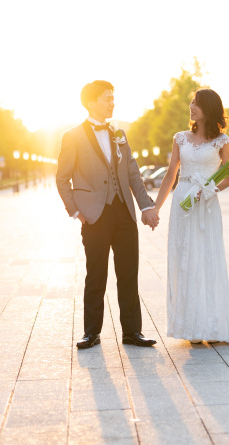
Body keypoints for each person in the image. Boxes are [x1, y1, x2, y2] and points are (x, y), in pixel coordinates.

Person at [56, 80, 160, 350]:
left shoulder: (120, 134)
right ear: (91, 102)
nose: (112, 102)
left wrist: (146, 206)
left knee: (129, 274)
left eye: (113, 97)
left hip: (123, 212)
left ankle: (132, 332)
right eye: (107, 98)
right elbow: (62, 178)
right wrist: (77, 211)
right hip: (94, 215)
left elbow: (133, 173)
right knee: (96, 275)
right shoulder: (72, 136)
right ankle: (91, 333)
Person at [152, 88, 229, 344]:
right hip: (183, 203)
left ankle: (213, 327)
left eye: (197, 103)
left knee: (209, 258)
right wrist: (156, 207)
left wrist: (209, 190)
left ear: (209, 108)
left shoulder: (222, 141)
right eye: (191, 102)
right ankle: (191, 327)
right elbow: (171, 174)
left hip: (207, 205)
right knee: (185, 260)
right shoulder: (180, 138)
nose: (191, 106)